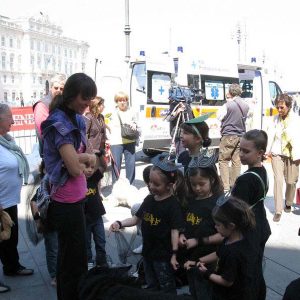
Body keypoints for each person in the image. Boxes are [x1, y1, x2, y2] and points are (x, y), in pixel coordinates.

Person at [41, 73, 98, 300]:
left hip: (75, 198)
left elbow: (78, 160)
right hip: (66, 202)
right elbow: (74, 168)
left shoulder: (73, 117)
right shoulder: (58, 122)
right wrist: (85, 159)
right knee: (70, 263)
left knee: (76, 259)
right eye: (85, 98)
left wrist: (84, 160)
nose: (88, 103)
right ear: (72, 95)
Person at [109, 154, 185, 294]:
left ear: (169, 185)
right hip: (148, 253)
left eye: (156, 184)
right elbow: (136, 219)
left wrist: (174, 254)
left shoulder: (173, 205)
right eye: (150, 182)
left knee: (166, 287)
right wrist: (120, 223)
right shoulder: (149, 200)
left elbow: (175, 231)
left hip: (163, 256)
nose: (150, 186)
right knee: (151, 284)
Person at [189, 196, 258, 300]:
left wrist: (207, 273)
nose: (215, 227)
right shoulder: (229, 239)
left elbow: (227, 281)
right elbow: (218, 253)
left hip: (232, 295)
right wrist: (198, 261)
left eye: (217, 225)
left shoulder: (234, 253)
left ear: (231, 226)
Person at [32, 73, 66, 285]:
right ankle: (54, 274)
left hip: (63, 173)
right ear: (49, 88)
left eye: (63, 87)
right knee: (51, 228)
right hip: (50, 169)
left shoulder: (65, 108)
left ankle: (61, 270)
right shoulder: (42, 106)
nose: (59, 91)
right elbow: (47, 134)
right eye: (56, 87)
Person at [231, 129, 271, 300]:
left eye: (246, 151)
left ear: (260, 153)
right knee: (255, 270)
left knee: (246, 274)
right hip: (261, 226)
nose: (241, 154)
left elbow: (236, 212)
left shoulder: (245, 180)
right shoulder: (262, 172)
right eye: (240, 149)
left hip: (248, 231)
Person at [0, 104, 33, 293]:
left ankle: (12, 267)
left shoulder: (6, 141)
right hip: (1, 203)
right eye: (9, 117)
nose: (13, 120)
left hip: (9, 200)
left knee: (10, 239)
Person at [178, 163, 224, 300]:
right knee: (193, 287)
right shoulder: (191, 200)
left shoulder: (217, 204)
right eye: (193, 184)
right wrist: (182, 235)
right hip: (189, 255)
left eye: (201, 184)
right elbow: (185, 223)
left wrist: (197, 241)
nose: (197, 188)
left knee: (204, 290)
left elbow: (223, 235)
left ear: (212, 180)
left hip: (207, 258)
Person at [266, 93, 300, 222]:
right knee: (278, 180)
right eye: (277, 107)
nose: (279, 110)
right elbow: (270, 135)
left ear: (289, 106)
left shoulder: (297, 120)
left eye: (282, 108)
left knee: (291, 182)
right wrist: (266, 151)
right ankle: (278, 210)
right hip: (277, 153)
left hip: (293, 155)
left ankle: (288, 202)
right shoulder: (274, 119)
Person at [217, 83, 249, 192]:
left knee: (223, 160)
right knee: (237, 161)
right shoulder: (246, 105)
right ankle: (234, 186)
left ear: (230, 92)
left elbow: (219, 117)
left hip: (228, 135)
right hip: (241, 136)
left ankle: (225, 187)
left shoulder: (228, 105)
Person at [83, 155, 107, 269]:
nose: (90, 170)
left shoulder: (94, 178)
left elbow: (103, 166)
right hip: (84, 219)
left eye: (92, 167)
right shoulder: (77, 182)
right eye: (86, 167)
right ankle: (88, 262)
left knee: (101, 241)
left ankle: (102, 262)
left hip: (97, 216)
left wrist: (101, 153)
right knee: (86, 244)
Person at [109, 91, 138, 184]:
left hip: (130, 140)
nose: (122, 102)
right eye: (120, 100)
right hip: (116, 142)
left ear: (127, 101)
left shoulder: (132, 111)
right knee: (116, 165)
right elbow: (105, 125)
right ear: (116, 102)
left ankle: (131, 185)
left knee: (131, 164)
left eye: (124, 100)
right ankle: (115, 185)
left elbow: (137, 123)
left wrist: (135, 124)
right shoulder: (111, 113)